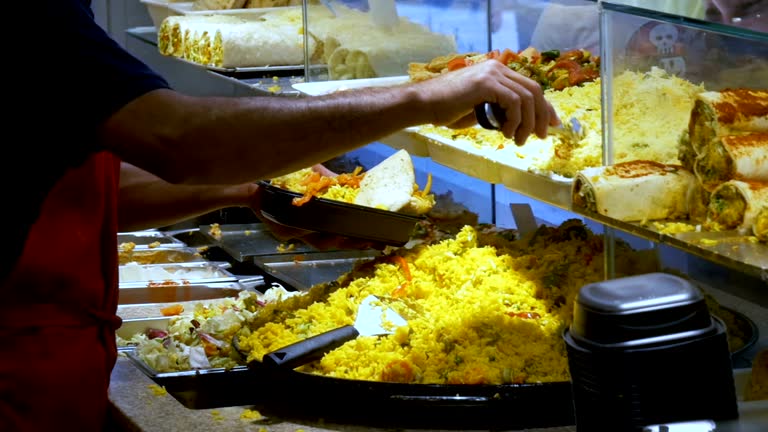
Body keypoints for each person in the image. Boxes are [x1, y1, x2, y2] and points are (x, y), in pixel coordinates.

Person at [2, 1, 558, 430]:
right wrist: (420, 100)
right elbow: (175, 137)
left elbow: (90, 187)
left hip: (53, 375)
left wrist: (250, 191)